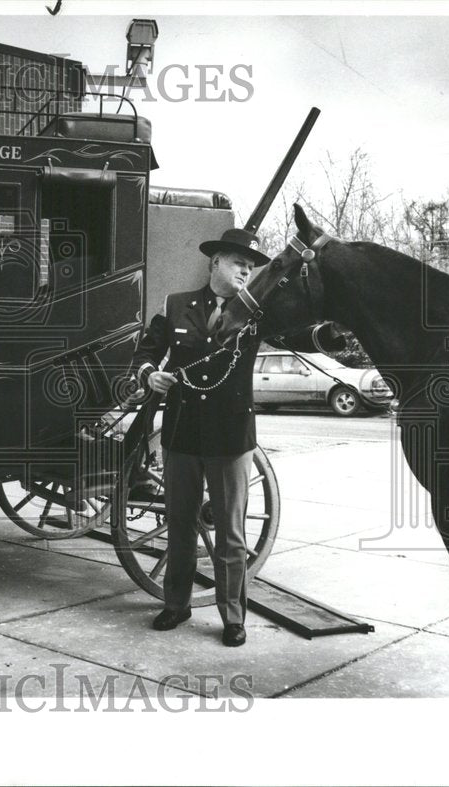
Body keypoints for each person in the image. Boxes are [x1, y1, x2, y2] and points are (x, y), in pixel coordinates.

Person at [131, 227, 270, 647]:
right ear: (215, 263)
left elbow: (300, 332)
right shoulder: (177, 305)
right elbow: (147, 350)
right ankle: (176, 604)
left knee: (230, 533)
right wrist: (148, 373)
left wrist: (329, 333)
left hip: (230, 438)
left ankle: (232, 617)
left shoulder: (257, 311)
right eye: (238, 263)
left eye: (251, 266)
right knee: (179, 525)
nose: (246, 271)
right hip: (182, 432)